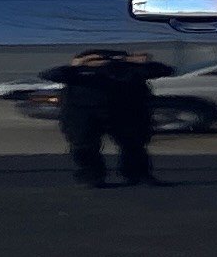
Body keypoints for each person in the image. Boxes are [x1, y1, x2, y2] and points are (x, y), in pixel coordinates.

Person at [43, 46, 173, 186]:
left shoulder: (127, 69)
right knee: (84, 146)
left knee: (133, 145)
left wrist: (131, 61)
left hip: (125, 112)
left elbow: (164, 70)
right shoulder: (77, 72)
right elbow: (50, 74)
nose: (103, 62)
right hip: (83, 113)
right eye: (97, 59)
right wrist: (78, 65)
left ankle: (138, 175)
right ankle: (91, 176)